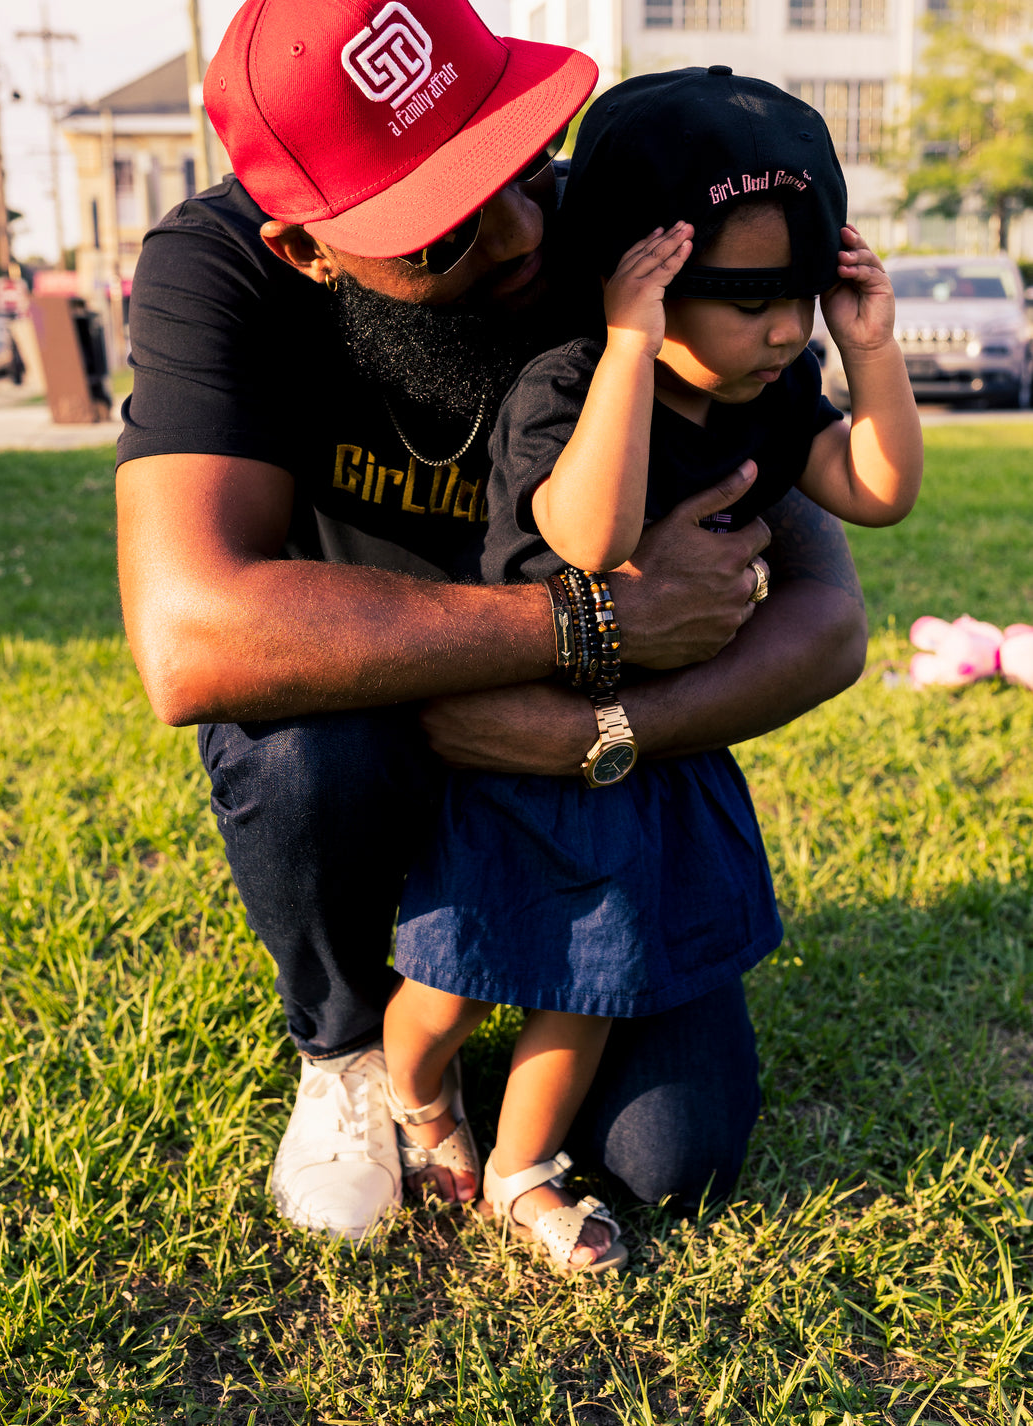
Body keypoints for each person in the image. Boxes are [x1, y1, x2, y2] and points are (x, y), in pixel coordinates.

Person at [115, 0, 869, 1243]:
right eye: (447, 223)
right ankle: (351, 1046)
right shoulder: (222, 271)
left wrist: (602, 731)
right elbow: (193, 635)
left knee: (668, 1153)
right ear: (308, 248)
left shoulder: (625, 241)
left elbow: (828, 615)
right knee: (302, 746)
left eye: (518, 156)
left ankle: (525, 1042)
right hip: (381, 750)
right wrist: (593, 623)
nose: (523, 233)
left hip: (591, 777)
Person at [383, 68, 922, 1275]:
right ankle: (412, 1097)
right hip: (520, 743)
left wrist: (869, 350)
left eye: (802, 298)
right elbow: (591, 536)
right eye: (744, 301)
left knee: (591, 974)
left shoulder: (774, 386)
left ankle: (520, 1167)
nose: (785, 331)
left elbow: (877, 492)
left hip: (644, 754)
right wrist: (630, 347)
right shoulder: (570, 385)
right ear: (641, 279)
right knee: (452, 979)